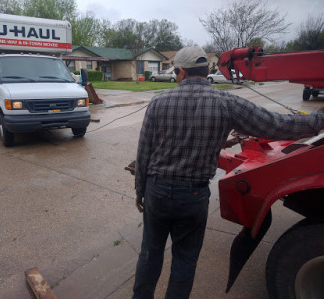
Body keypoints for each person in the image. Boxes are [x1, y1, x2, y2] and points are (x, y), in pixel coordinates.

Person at [133, 46, 324, 299]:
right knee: (184, 260)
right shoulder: (227, 103)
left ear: (181, 72)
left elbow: (144, 151)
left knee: (150, 253)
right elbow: (276, 125)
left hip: (157, 191)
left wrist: (140, 189)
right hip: (193, 195)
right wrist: (318, 121)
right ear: (207, 70)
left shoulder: (158, 102)